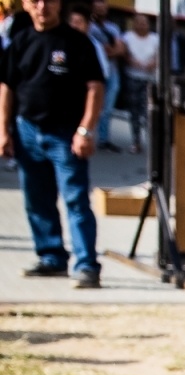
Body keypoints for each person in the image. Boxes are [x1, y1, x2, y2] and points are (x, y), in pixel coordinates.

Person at [0, 0, 104, 288]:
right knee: (37, 200)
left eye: (49, 0)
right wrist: (3, 131)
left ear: (59, 4)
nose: (42, 6)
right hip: (27, 130)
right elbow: (6, 87)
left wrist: (85, 130)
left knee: (75, 200)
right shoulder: (20, 42)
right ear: (25, 5)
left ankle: (86, 265)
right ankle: (51, 257)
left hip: (66, 134)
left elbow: (95, 87)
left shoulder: (78, 43)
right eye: (35, 1)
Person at [85, 0, 119, 149]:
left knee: (107, 107)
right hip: (93, 70)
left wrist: (110, 51)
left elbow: (119, 48)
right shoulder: (89, 26)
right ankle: (86, 134)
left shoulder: (113, 27)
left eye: (102, 8)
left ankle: (103, 139)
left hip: (111, 70)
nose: (100, 11)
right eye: (97, 8)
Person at [121, 12, 156, 153]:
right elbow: (123, 53)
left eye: (144, 23)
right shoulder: (127, 37)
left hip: (149, 79)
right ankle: (136, 141)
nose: (142, 26)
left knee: (149, 112)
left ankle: (151, 142)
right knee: (134, 111)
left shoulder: (155, 38)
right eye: (139, 23)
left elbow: (160, 56)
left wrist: (153, 63)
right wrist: (131, 61)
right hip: (133, 76)